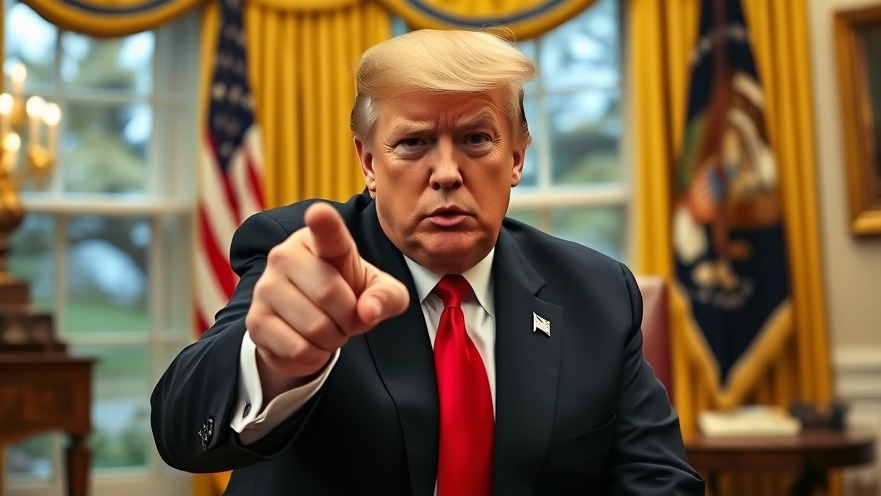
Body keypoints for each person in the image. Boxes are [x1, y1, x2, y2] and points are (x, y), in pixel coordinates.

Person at [151, 28, 704, 495]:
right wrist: (274, 362)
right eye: (414, 143)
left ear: (516, 157)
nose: (446, 173)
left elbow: (659, 480)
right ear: (369, 163)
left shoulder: (597, 293)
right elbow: (180, 429)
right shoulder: (307, 258)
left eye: (476, 139)